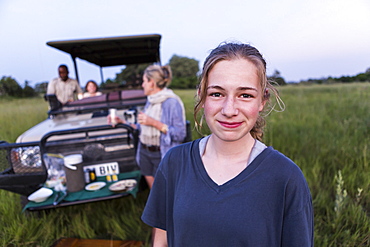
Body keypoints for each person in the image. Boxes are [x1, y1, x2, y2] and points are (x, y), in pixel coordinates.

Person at [141, 42, 314, 246]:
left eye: (245, 95)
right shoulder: (175, 162)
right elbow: (161, 238)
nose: (229, 110)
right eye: (217, 93)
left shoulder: (285, 177)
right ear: (202, 96)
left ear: (262, 101)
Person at [108, 65, 186, 189]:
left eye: (144, 81)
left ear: (152, 83)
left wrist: (154, 123)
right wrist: (121, 121)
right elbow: (141, 127)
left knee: (166, 194)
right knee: (155, 193)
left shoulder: (171, 102)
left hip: (160, 153)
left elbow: (180, 134)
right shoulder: (150, 100)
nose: (142, 85)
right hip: (144, 151)